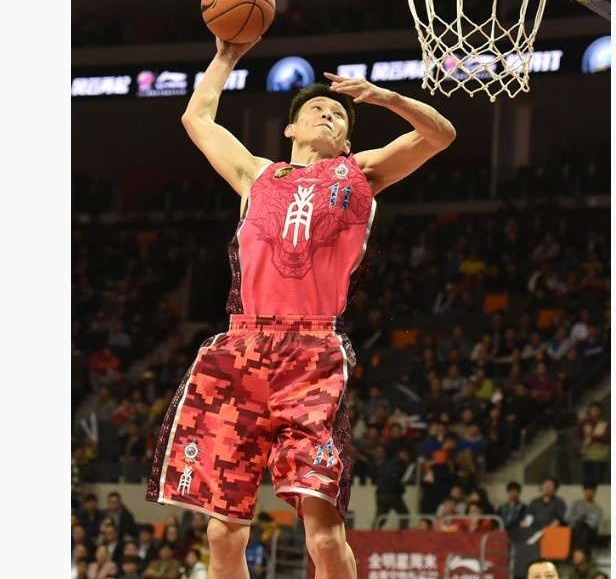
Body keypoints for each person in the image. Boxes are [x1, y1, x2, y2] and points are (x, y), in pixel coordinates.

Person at [146, 36, 456, 579]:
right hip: (241, 347)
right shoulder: (256, 175)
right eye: (317, 108)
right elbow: (197, 118)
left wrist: (386, 97)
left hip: (312, 353)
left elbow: (440, 134)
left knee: (325, 537)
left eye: (338, 114)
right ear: (290, 128)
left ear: (347, 139)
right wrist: (226, 55)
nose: (328, 114)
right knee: (222, 533)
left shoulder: (361, 172)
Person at [566, 484, 604, 551]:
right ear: (583, 491)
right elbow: (567, 517)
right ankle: (579, 550)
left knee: (583, 527)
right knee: (579, 524)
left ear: (595, 492)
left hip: (589, 535)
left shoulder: (598, 510)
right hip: (573, 531)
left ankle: (580, 550)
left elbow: (592, 524)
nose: (589, 493)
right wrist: (583, 518)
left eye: (591, 491)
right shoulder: (576, 503)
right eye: (587, 491)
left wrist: (579, 517)